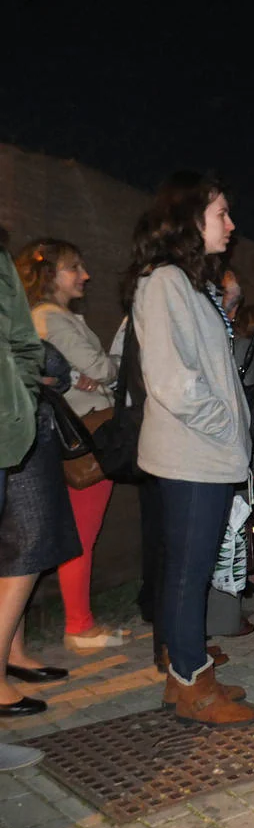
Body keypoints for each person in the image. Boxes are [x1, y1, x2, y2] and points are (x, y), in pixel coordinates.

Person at [131, 171, 254, 725]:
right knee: (186, 571)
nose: (230, 225)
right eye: (220, 214)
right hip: (191, 453)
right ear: (189, 220)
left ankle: (188, 674)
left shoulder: (187, 282)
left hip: (202, 452)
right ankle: (189, 685)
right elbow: (174, 381)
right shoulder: (163, 283)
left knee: (191, 568)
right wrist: (227, 429)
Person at [15, 239, 130, 652]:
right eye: (74, 268)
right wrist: (108, 370)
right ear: (50, 275)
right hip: (84, 435)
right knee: (82, 533)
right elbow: (101, 368)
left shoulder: (49, 318)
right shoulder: (53, 319)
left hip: (68, 433)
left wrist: (94, 374)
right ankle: (79, 626)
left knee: (73, 533)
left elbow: (90, 372)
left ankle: (78, 623)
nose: (85, 275)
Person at [0, 242, 78, 719]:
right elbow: (53, 364)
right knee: (23, 554)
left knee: (17, 552)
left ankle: (15, 651)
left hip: (24, 434)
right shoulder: (31, 315)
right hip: (19, 436)